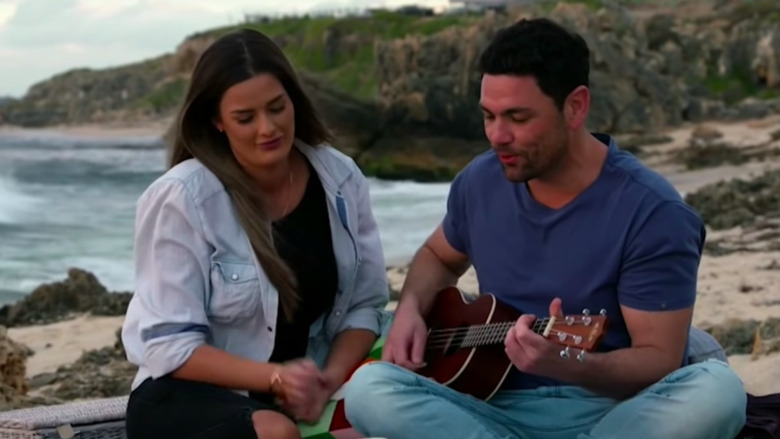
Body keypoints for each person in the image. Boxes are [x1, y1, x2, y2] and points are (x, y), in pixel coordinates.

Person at [343, 17, 747, 439]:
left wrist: (567, 364)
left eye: (517, 117)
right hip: (489, 407)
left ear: (575, 106)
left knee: (717, 392)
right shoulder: (478, 182)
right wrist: (410, 308)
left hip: (615, 411)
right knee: (369, 389)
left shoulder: (652, 211)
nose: (497, 136)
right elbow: (437, 256)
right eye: (488, 116)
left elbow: (657, 360)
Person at [120, 28, 390, 439]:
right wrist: (276, 378)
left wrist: (327, 381)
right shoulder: (183, 198)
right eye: (245, 118)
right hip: (188, 395)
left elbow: (364, 305)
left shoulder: (339, 178)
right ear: (217, 121)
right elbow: (168, 345)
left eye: (277, 107)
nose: (268, 128)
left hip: (300, 390)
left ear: (293, 100)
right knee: (279, 433)